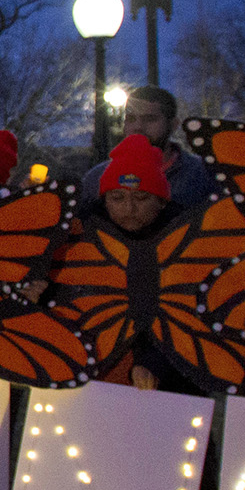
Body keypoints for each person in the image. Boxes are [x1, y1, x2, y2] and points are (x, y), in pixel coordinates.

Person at [85, 134, 201, 395]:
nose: (129, 208)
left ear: (161, 201)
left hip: (169, 382)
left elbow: (186, 313)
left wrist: (154, 362)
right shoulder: (84, 236)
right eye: (117, 198)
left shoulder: (185, 241)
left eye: (141, 199)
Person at [79, 86, 212, 216]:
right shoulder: (97, 179)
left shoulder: (202, 175)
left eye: (150, 119)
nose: (138, 127)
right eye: (130, 119)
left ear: (173, 125)